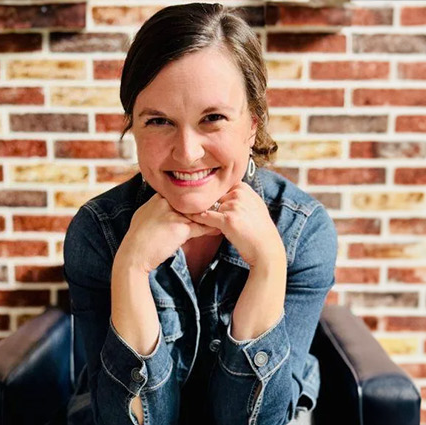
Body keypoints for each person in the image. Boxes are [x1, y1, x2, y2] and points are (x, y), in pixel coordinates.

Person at [61, 3, 338, 425]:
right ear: (132, 126)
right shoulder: (97, 231)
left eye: (213, 118)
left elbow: (261, 421)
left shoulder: (302, 230)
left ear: (252, 125)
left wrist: (269, 264)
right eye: (158, 121)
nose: (187, 152)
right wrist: (131, 268)